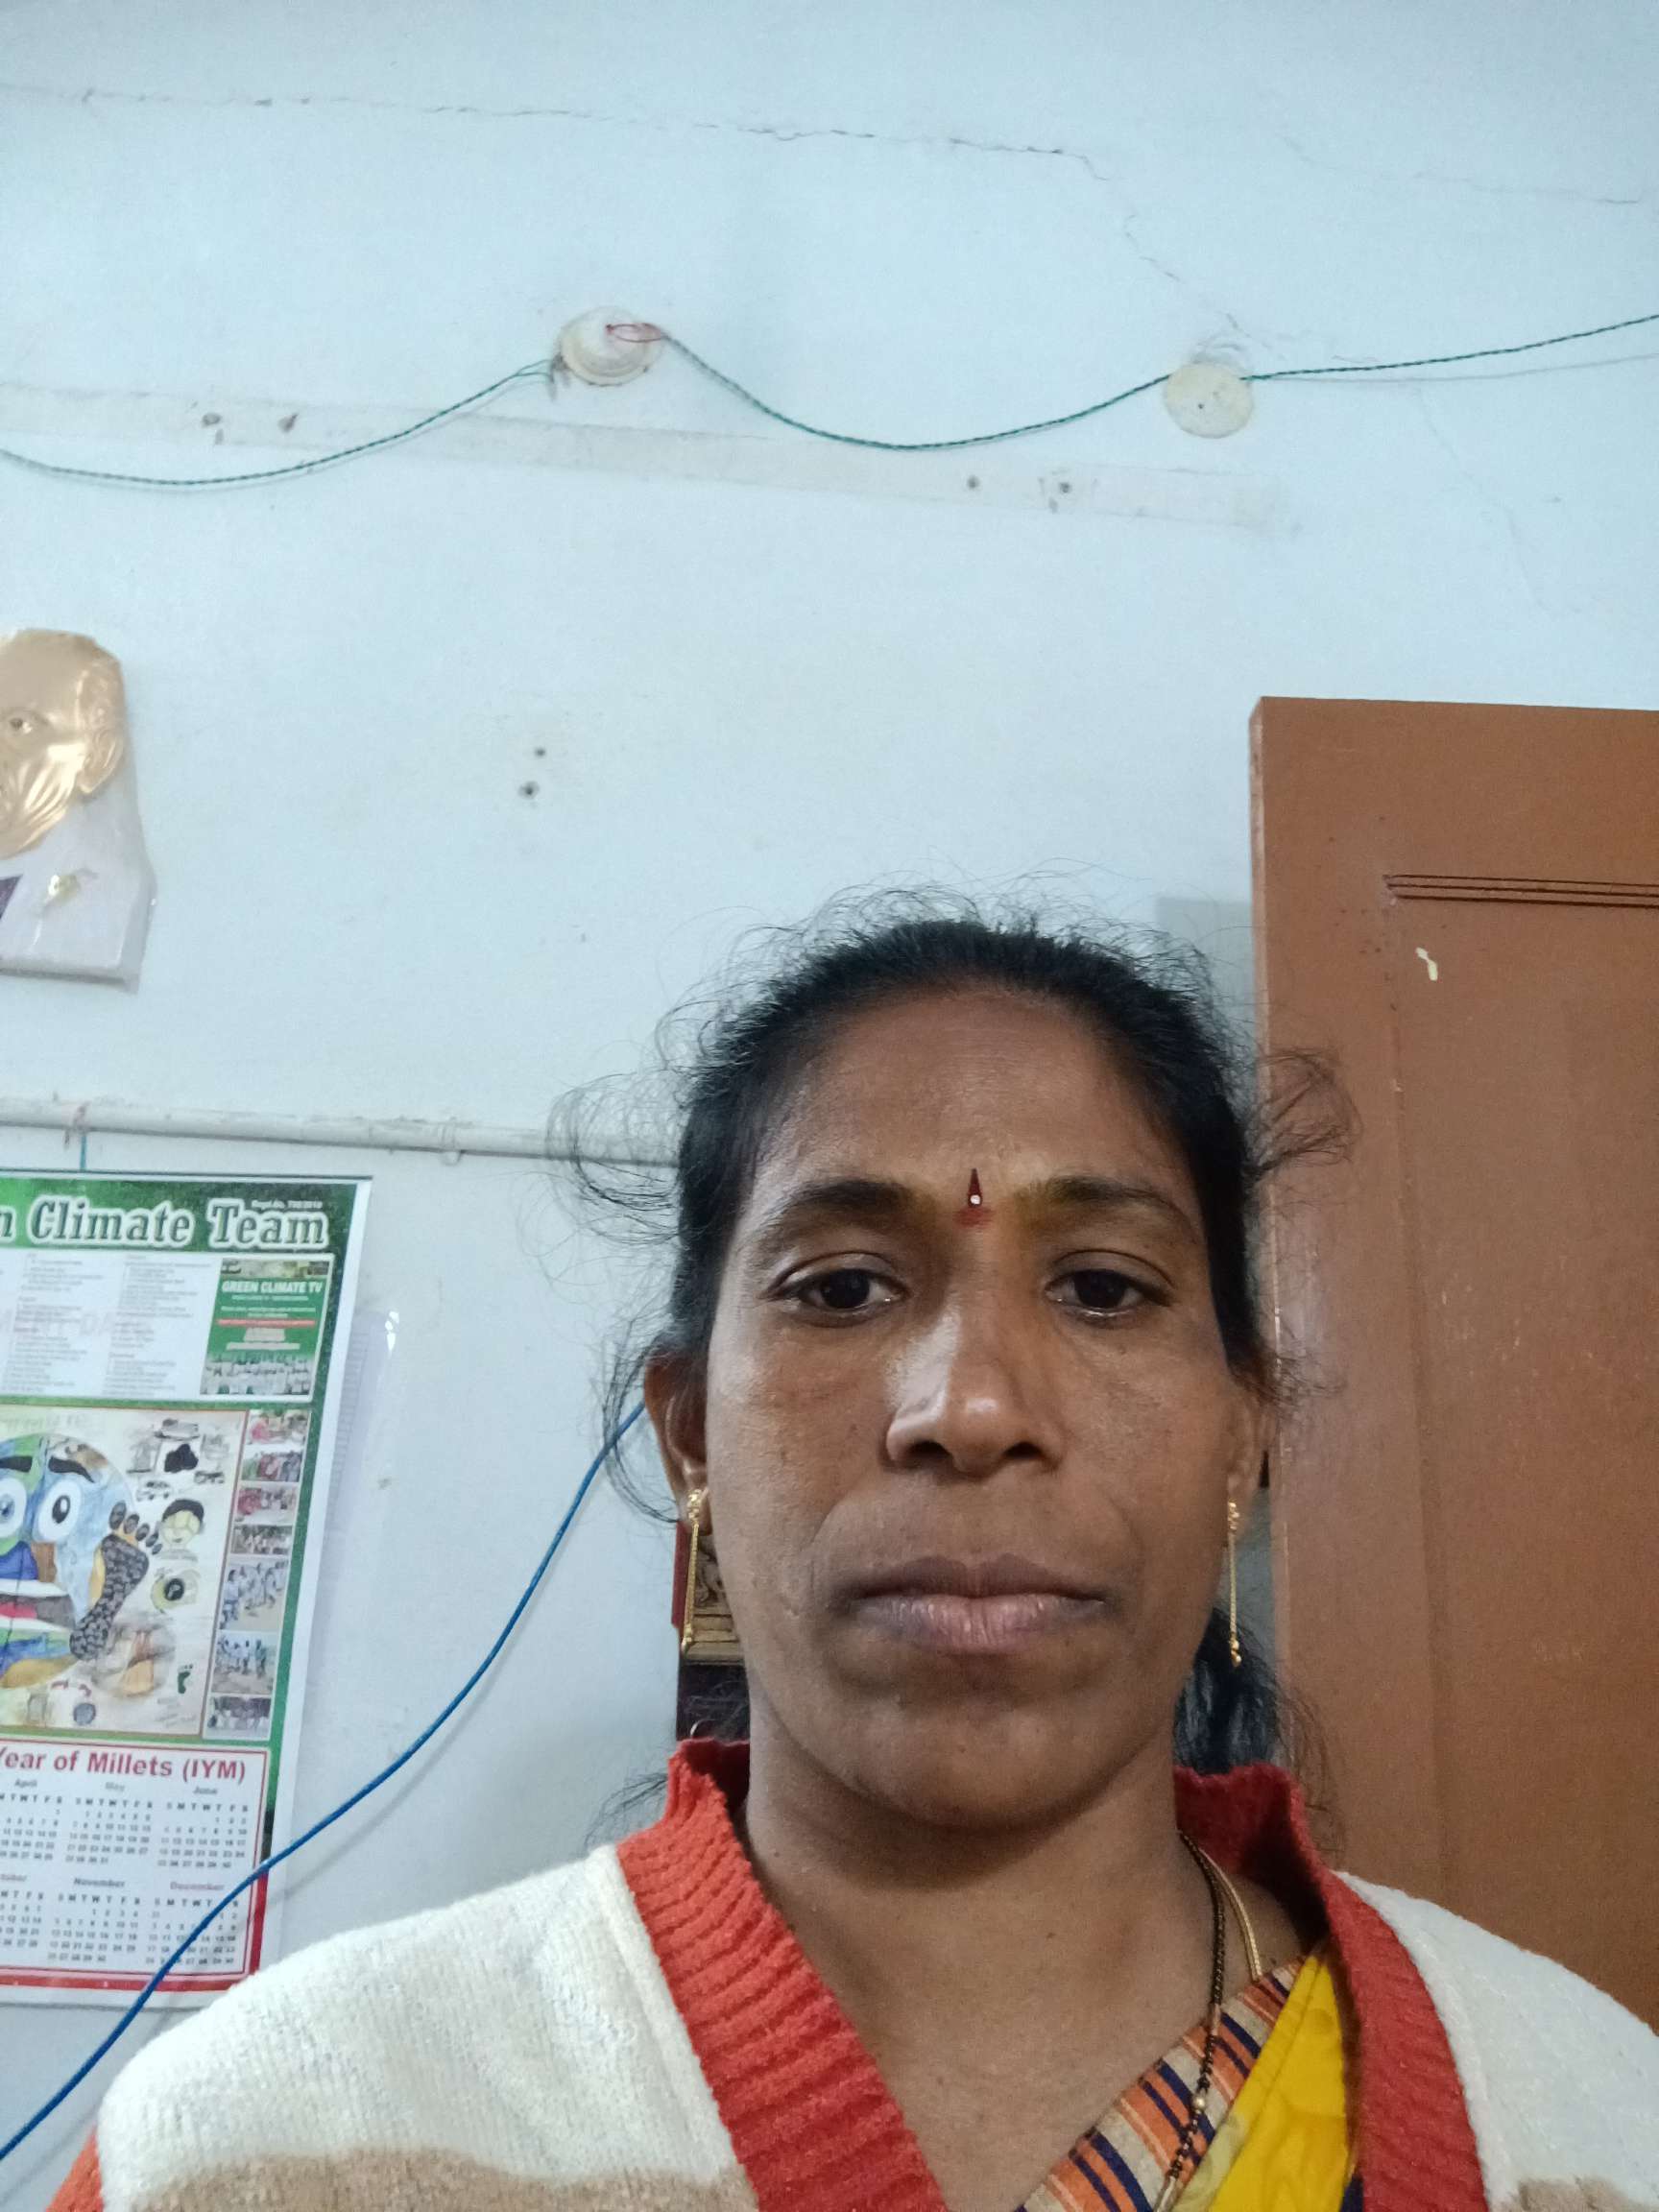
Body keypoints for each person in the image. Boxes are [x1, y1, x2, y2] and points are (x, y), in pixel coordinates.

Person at [47, 902, 1659, 2212]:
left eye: (1103, 1289)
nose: (970, 1408)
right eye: (840, 1289)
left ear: (1246, 1436)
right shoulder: (262, 2148)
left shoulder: (1593, 2123)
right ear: (690, 1434)